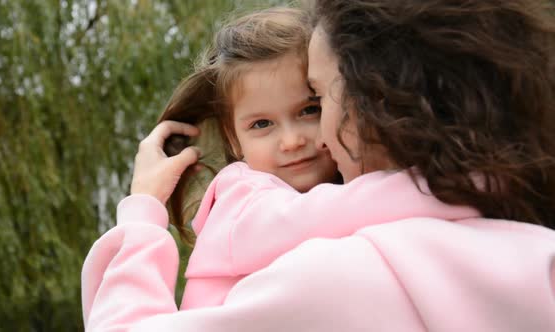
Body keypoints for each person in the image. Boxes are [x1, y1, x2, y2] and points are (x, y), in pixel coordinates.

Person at [82, 0, 555, 331]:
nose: (301, 140)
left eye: (315, 101)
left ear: (377, 101)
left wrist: (142, 216)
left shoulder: (341, 276)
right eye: (262, 124)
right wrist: (465, 181)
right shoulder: (527, 250)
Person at [155, 7, 342, 309]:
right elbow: (317, 215)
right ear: (233, 138)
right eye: (262, 124)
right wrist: (421, 187)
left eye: (309, 111)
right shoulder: (240, 196)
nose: (292, 141)